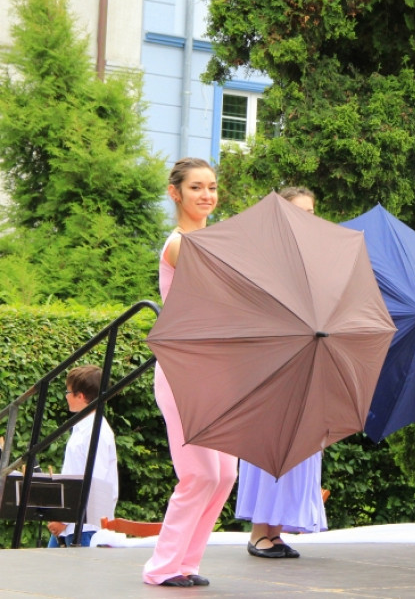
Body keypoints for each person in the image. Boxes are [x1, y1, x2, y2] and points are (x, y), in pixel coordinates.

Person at [143, 158, 238, 588]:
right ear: (175, 192)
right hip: (184, 370)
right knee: (199, 472)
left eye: (213, 187)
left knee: (226, 474)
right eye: (197, 187)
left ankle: (186, 563)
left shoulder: (214, 240)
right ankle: (161, 568)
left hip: (216, 370)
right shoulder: (180, 243)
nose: (207, 195)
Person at [235, 186, 327, 559]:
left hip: (307, 364)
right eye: (298, 211)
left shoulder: (317, 260)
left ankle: (276, 530)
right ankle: (260, 531)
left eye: (311, 211)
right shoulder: (266, 259)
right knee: (270, 446)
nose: (306, 217)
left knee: (299, 449)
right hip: (272, 366)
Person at [46, 365, 119, 548]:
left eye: (68, 391)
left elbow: (94, 483)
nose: (65, 396)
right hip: (73, 522)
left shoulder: (96, 433)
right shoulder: (83, 428)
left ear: (81, 396)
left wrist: (65, 520)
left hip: (85, 526)